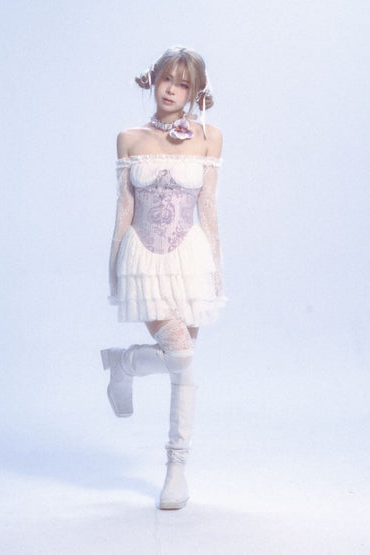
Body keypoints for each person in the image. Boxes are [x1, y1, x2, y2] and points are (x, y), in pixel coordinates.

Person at [101, 45, 227, 510]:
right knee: (181, 354)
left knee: (183, 363)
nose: (172, 90)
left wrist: (216, 269)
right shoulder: (129, 139)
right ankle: (125, 366)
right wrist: (114, 267)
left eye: (183, 84)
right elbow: (124, 207)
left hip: (190, 258)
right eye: (166, 79)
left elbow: (208, 207)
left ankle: (176, 470)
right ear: (153, 80)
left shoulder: (210, 137)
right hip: (143, 258)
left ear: (195, 92)